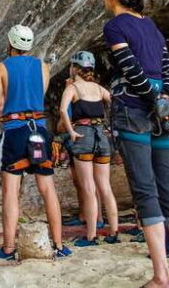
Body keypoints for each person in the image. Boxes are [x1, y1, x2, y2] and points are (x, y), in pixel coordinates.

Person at [99, 0, 169, 288]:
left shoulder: (114, 27)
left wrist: (153, 99)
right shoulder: (151, 26)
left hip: (134, 113)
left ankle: (161, 277)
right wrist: (165, 98)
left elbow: (130, 68)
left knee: (145, 191)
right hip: (161, 117)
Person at [0, 25, 71, 261]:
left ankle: (9, 248)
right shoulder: (43, 67)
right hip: (40, 130)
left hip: (15, 131)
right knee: (47, 189)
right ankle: (59, 245)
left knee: (10, 192)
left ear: (10, 43)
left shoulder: (1, 68)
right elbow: (38, 96)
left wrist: (3, 118)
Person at [57, 50, 120, 246]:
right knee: (105, 187)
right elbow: (116, 103)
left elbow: (62, 110)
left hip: (83, 135)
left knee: (88, 187)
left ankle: (91, 236)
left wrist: (71, 131)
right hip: (101, 136)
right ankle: (114, 232)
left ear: (74, 68)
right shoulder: (99, 89)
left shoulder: (73, 88)